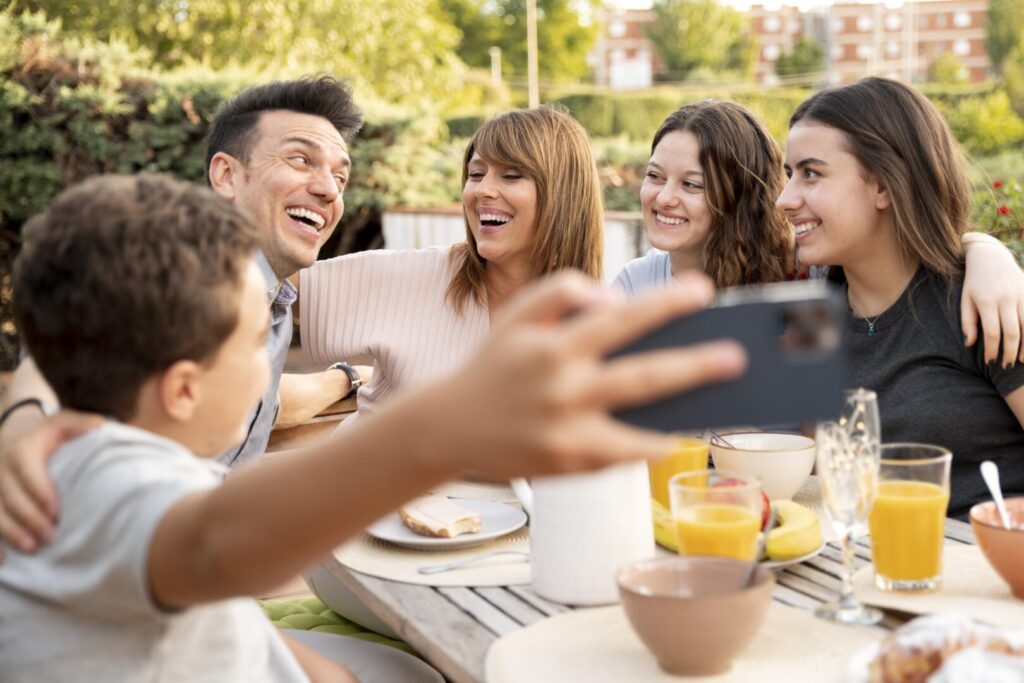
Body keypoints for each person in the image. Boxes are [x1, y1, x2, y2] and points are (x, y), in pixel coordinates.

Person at [0, 173, 746, 680]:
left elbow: (216, 619)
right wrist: (452, 423)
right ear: (184, 388)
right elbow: (218, 543)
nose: (272, 358)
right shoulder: (99, 482)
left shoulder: (104, 451)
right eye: (258, 338)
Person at [1, 76, 372, 475]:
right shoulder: (174, 270)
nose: (330, 190)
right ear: (226, 175)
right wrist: (24, 419)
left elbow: (264, 398)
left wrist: (349, 378)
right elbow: (62, 344)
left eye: (340, 177)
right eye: (300, 159)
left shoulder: (274, 298)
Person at [613, 99, 1024, 368]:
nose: (663, 197)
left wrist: (986, 250)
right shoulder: (633, 287)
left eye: (692, 185)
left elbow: (901, 254)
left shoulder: (806, 276)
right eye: (654, 176)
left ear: (740, 198)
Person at [775, 77, 1024, 518]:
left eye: (811, 174)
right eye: (788, 174)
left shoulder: (981, 302)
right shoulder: (811, 319)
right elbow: (822, 479)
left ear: (884, 186)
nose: (784, 199)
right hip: (864, 566)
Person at [300, 105, 603, 424]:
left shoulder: (595, 322)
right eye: (476, 174)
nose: (482, 190)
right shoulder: (418, 275)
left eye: (511, 175)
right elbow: (268, 286)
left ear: (564, 195)